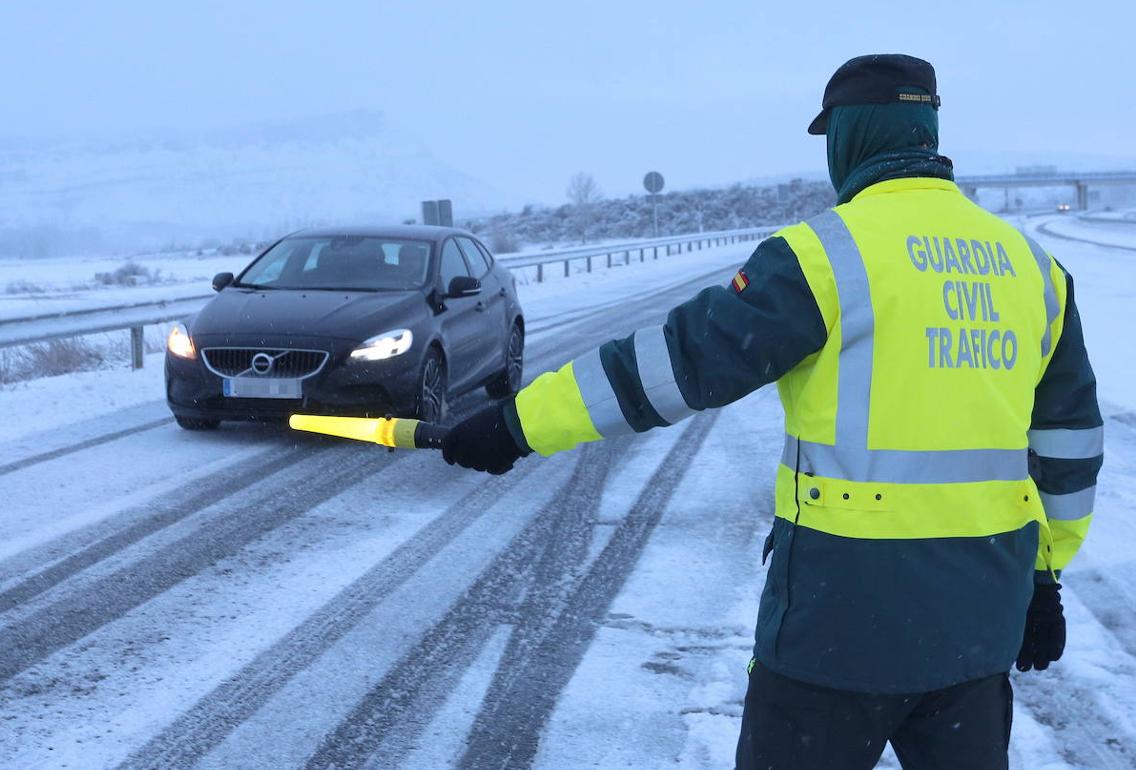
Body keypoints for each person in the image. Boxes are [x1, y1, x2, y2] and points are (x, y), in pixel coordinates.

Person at [440, 53, 1102, 770]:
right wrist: (1043, 576)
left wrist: (517, 424)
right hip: (979, 619)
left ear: (849, 136)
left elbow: (672, 367)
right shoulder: (1031, 268)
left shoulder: (824, 255)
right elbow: (1070, 448)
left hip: (838, 627)